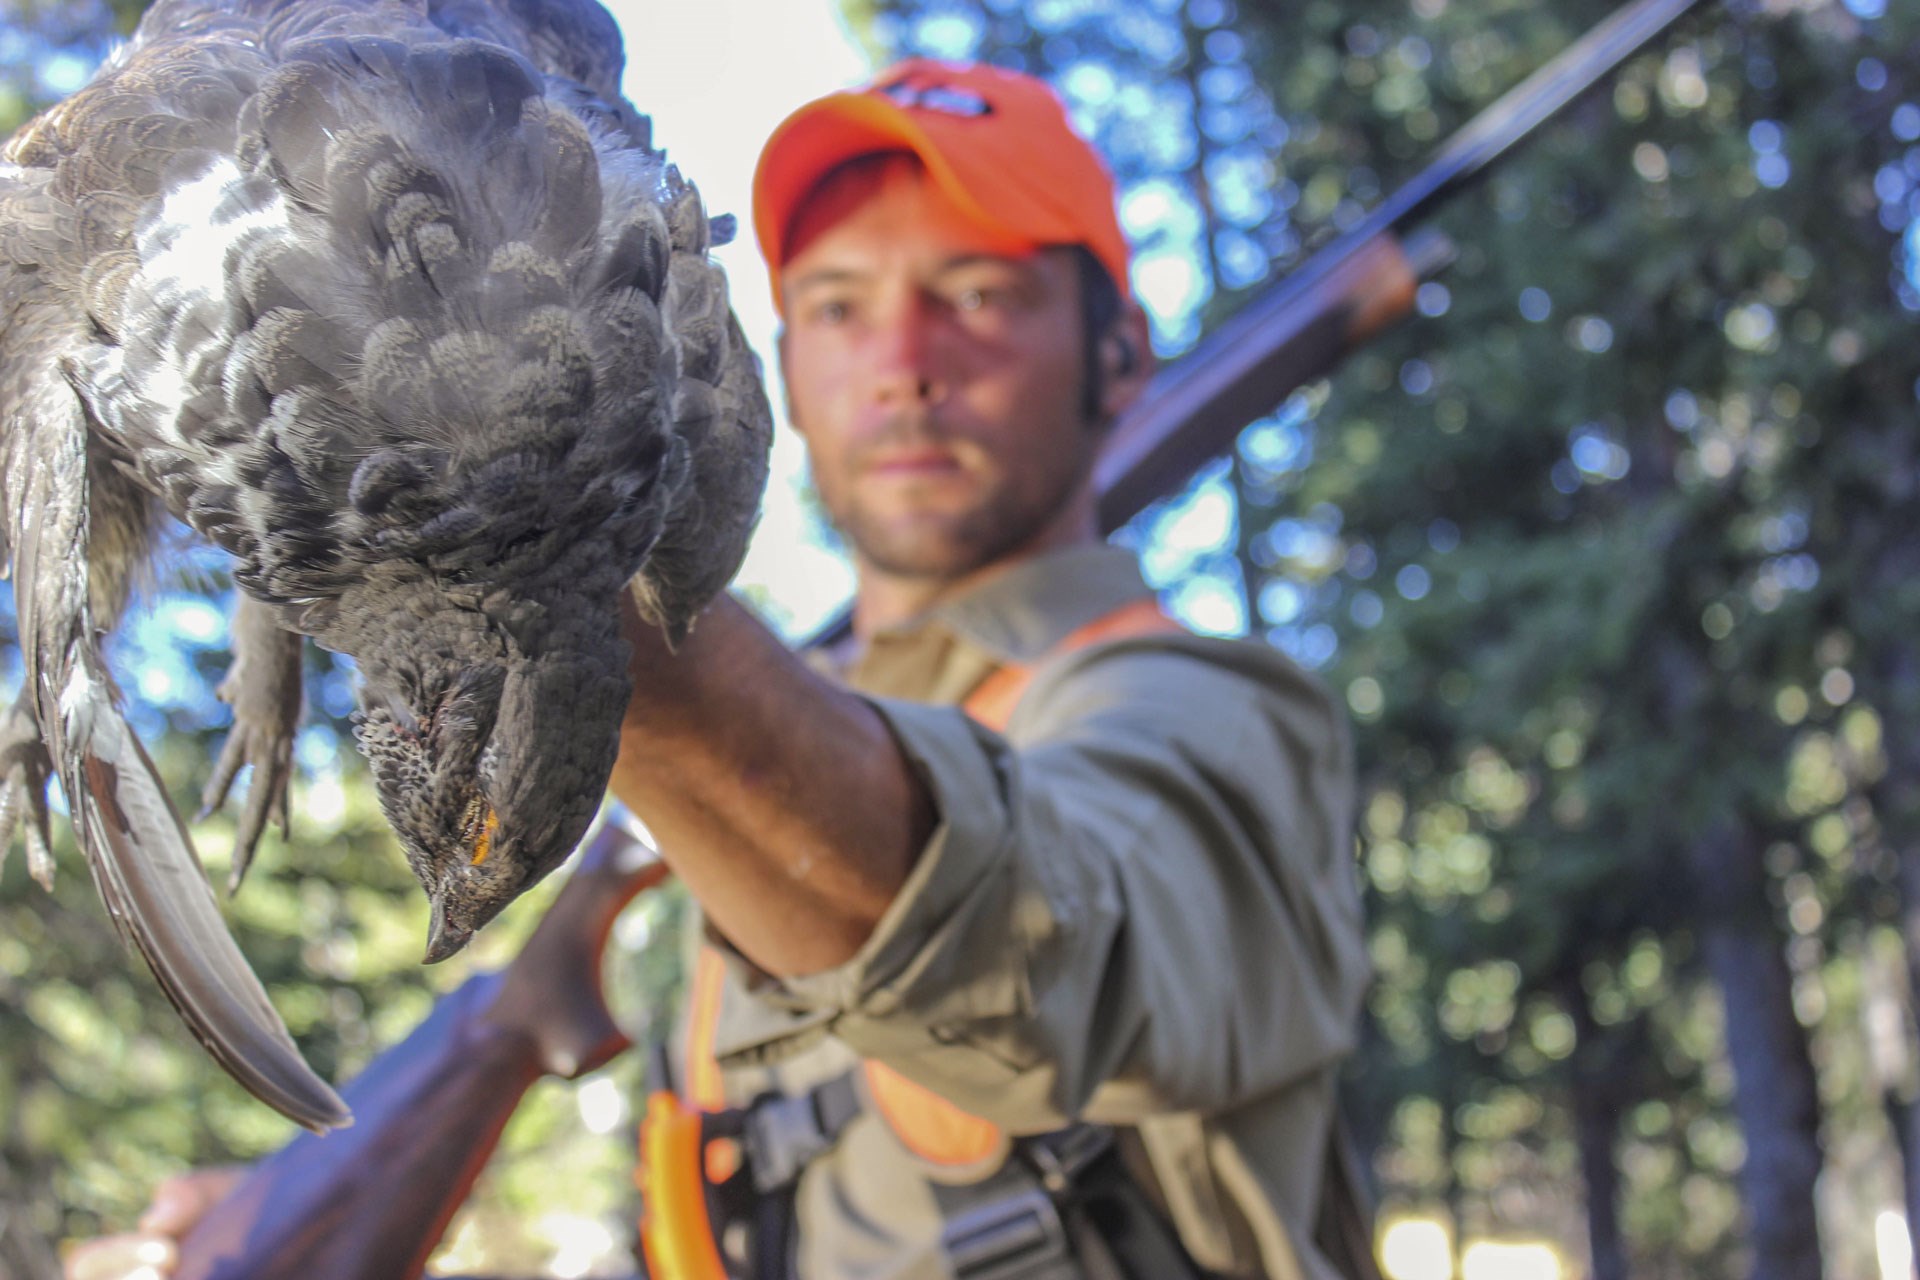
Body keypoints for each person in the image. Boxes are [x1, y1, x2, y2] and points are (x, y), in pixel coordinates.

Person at [66, 59, 1372, 1280]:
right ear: (790, 374)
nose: (907, 366)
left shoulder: (1211, 718)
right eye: (841, 308)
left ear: (1120, 358)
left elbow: (1055, 950)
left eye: (979, 295)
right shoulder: (765, 775)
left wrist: (556, 559)